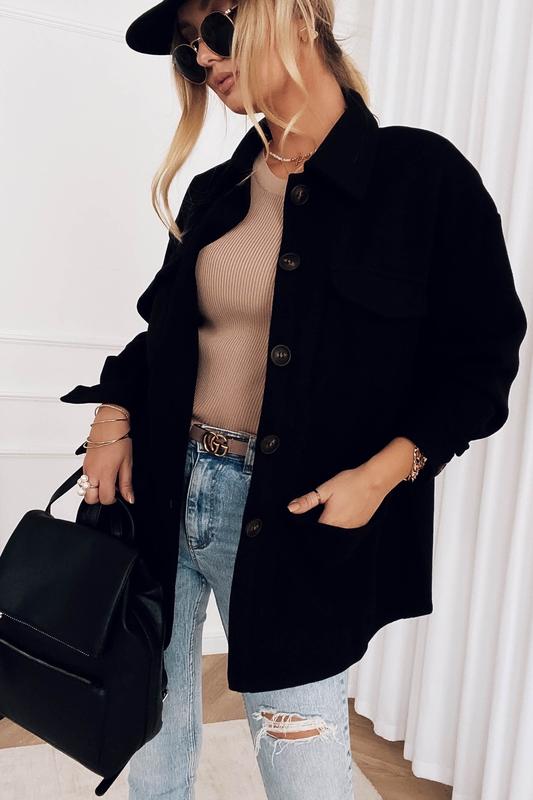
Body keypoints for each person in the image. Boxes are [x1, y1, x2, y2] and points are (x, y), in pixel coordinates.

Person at [59, 1, 528, 798]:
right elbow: (160, 337)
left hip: (297, 518)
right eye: (187, 47)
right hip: (162, 491)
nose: (203, 59)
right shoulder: (217, 191)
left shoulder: (422, 177)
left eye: (216, 28)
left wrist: (381, 476)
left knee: (300, 758)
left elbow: (480, 360)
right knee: (150, 732)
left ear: (298, 13)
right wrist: (111, 417)